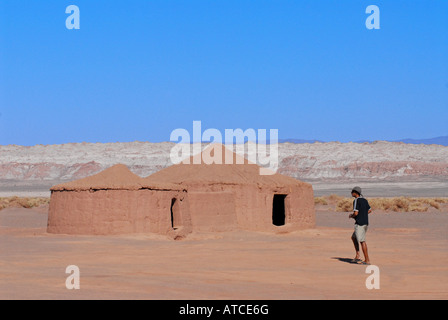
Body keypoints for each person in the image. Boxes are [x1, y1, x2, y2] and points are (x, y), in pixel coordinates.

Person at [349, 186, 372, 265]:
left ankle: (367, 260)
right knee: (353, 237)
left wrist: (351, 216)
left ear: (355, 193)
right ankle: (358, 255)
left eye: (352, 191)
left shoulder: (356, 200)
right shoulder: (365, 200)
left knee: (362, 241)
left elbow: (356, 213)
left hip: (360, 224)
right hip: (365, 222)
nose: (351, 193)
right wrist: (363, 214)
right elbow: (369, 210)